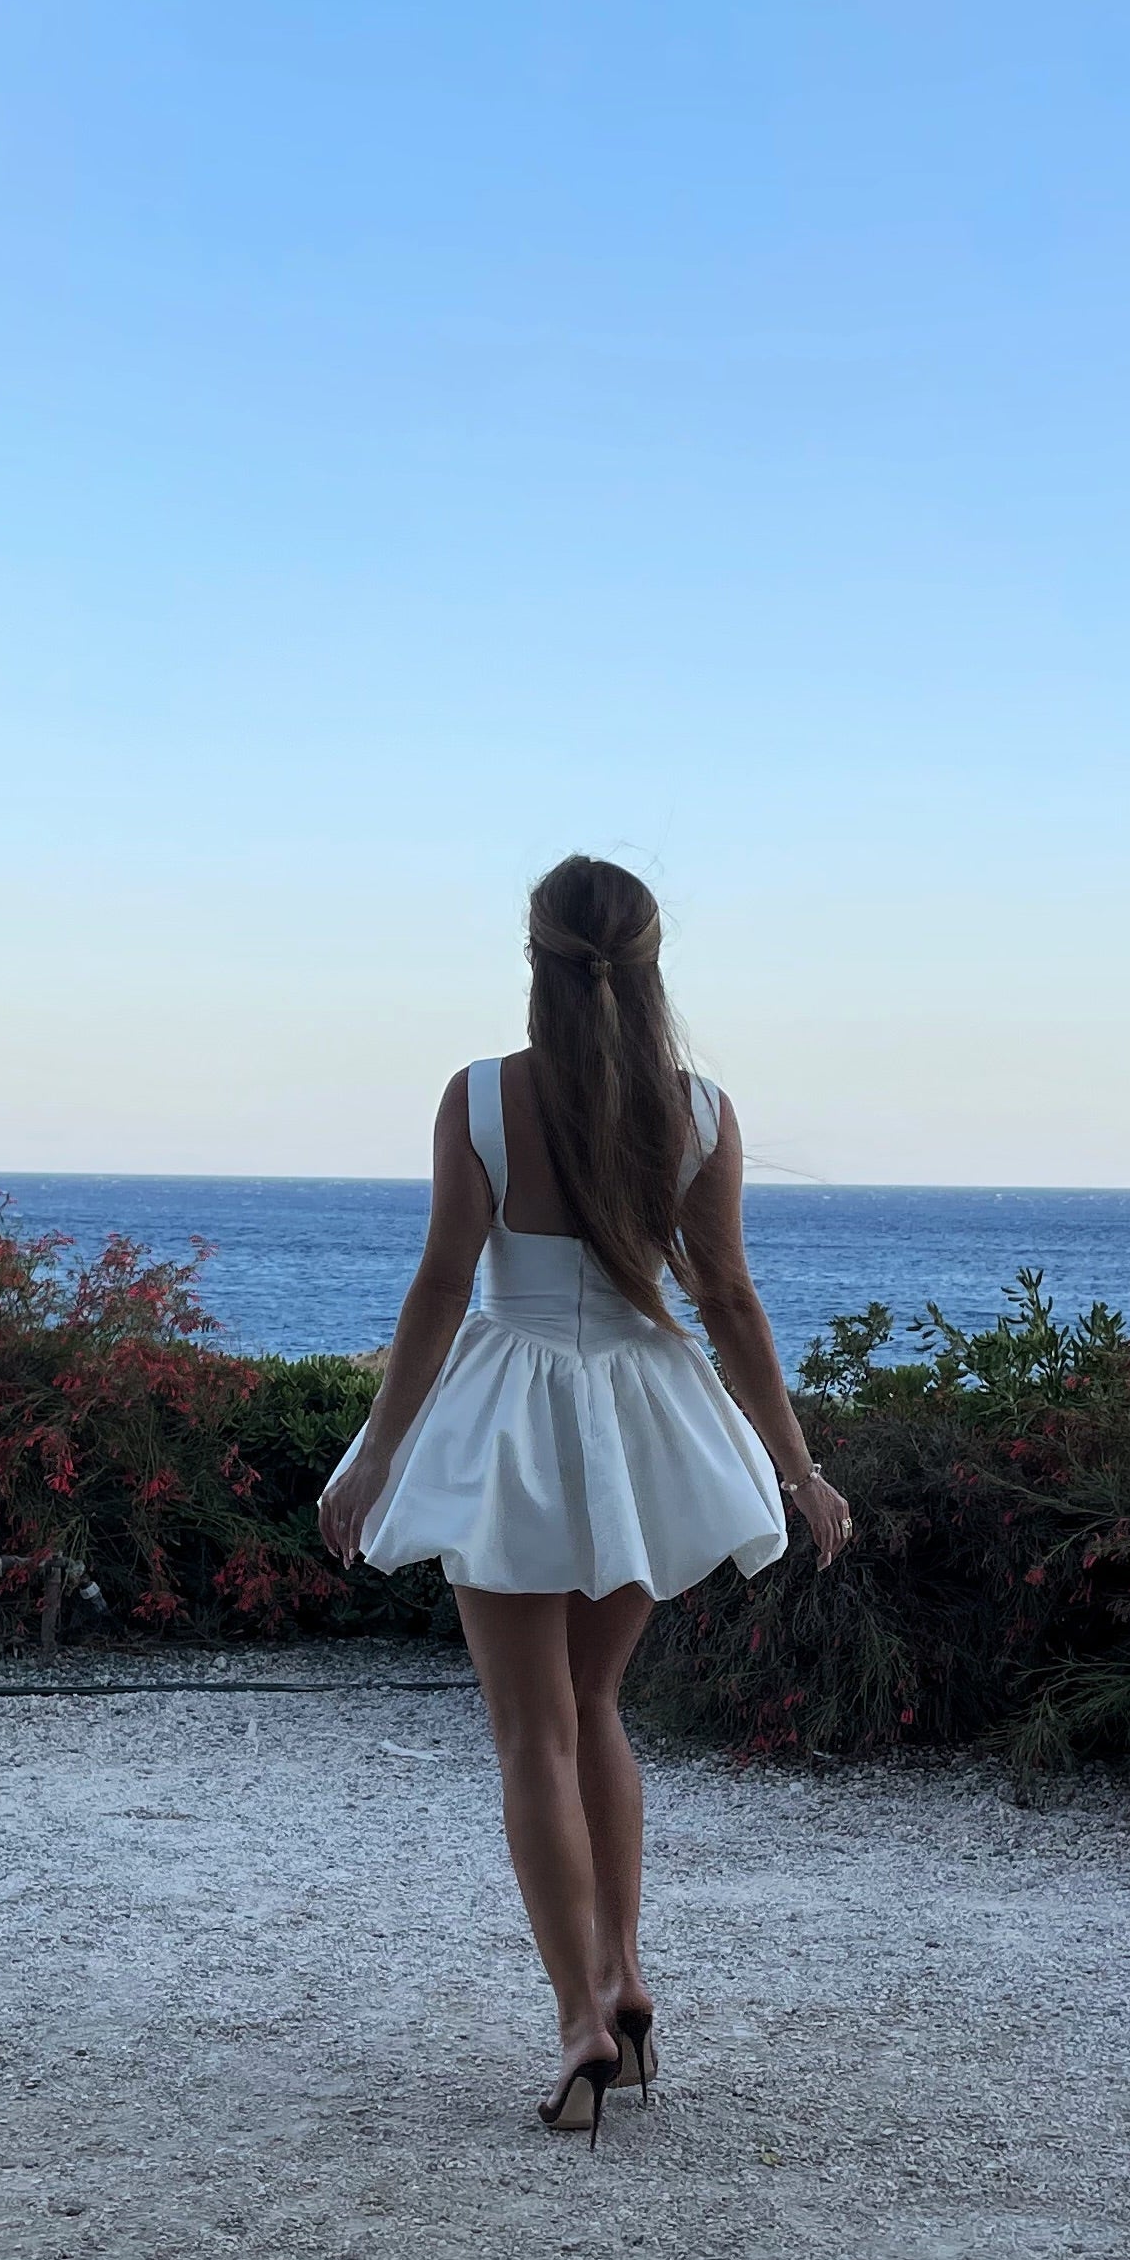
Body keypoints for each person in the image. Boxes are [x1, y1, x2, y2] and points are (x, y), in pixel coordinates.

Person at [318, 855, 852, 2144]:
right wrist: (798, 1462)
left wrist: (374, 1454)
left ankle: (579, 2021)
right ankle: (622, 1970)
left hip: (511, 1415)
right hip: (637, 1417)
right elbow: (727, 1299)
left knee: (531, 1733)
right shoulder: (699, 1111)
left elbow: (446, 1282)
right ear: (650, 964)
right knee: (597, 1700)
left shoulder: (483, 1099)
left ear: (535, 958)